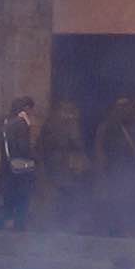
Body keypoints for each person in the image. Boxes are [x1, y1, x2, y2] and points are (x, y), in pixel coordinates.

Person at [93, 93, 135, 239]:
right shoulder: (108, 126)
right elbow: (100, 149)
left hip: (130, 171)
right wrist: (101, 171)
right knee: (116, 201)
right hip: (115, 170)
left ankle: (123, 230)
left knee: (127, 201)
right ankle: (116, 230)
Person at [36, 96, 90, 230]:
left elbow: (40, 144)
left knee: (54, 193)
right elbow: (76, 142)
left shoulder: (49, 122)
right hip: (65, 163)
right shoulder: (70, 123)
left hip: (50, 163)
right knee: (69, 194)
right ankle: (66, 223)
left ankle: (53, 224)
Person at [0, 95, 40, 231]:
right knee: (22, 199)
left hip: (6, 167)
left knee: (9, 200)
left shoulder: (5, 122)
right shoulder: (21, 123)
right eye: (31, 109)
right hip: (20, 169)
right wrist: (35, 157)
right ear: (26, 108)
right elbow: (23, 148)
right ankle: (17, 226)